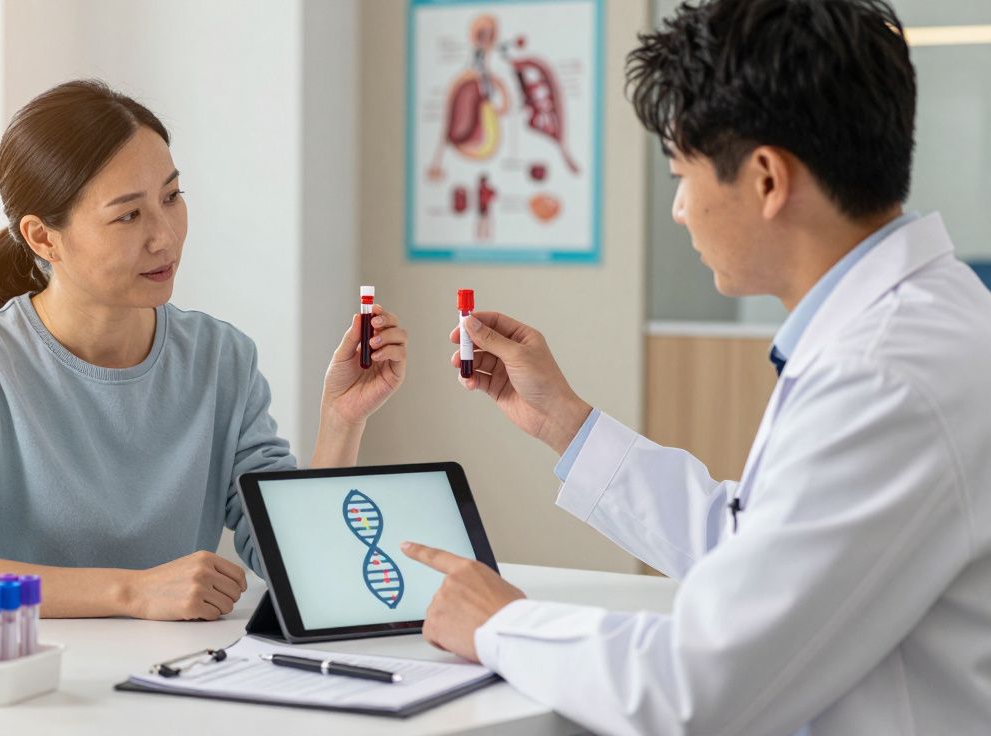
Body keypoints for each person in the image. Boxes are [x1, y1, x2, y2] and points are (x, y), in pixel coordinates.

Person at [400, 1, 991, 733]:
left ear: (768, 180)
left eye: (683, 173)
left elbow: (698, 689)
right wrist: (566, 424)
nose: (680, 210)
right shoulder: (920, 321)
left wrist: (503, 623)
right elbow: (757, 549)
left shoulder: (887, 374)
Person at [0, 80, 408, 622]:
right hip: (22, 683)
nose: (165, 237)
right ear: (43, 238)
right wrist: (130, 593)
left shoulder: (221, 359)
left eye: (172, 198)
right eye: (128, 215)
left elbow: (299, 566)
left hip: (175, 683)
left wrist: (340, 422)